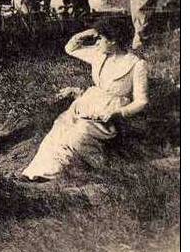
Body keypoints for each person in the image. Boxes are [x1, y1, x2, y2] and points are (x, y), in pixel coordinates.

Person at [21, 17, 148, 181]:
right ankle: (33, 172)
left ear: (113, 40)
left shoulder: (136, 65)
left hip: (110, 115)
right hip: (87, 104)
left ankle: (53, 173)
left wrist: (119, 113)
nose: (96, 41)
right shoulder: (100, 54)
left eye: (100, 38)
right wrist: (91, 31)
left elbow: (142, 101)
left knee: (76, 135)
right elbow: (70, 48)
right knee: (59, 129)